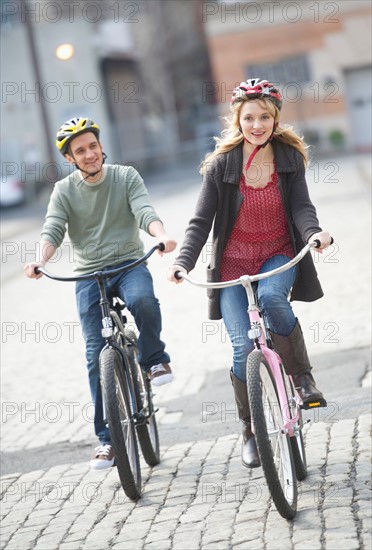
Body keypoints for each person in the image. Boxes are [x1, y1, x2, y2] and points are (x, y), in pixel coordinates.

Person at [168, 79, 332, 469]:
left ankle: (302, 378)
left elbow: (301, 208)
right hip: (232, 266)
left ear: (275, 120)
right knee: (243, 348)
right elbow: (199, 222)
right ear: (236, 120)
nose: (257, 125)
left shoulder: (288, 158)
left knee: (274, 298)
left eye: (265, 117)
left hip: (277, 254)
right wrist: (182, 263)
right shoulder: (221, 165)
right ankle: (251, 430)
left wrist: (315, 234)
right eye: (249, 118)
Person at [24, 117, 176, 470]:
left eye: (93, 146)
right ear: (70, 159)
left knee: (142, 301)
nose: (90, 154)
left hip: (129, 262)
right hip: (89, 275)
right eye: (81, 151)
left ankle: (153, 359)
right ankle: (106, 440)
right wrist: (39, 260)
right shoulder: (63, 190)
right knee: (95, 355)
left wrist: (160, 234)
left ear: (101, 146)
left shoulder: (125, 177)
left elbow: (144, 211)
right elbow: (53, 230)